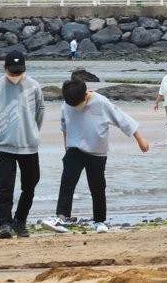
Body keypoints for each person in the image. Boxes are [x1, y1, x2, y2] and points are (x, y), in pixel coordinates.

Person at [40, 78, 150, 234]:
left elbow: (122, 119)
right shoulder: (67, 104)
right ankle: (61, 218)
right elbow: (65, 127)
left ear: (85, 95)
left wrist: (140, 139)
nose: (75, 107)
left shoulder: (101, 102)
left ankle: (100, 221)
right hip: (74, 149)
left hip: (97, 152)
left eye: (78, 104)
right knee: (67, 182)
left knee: (97, 187)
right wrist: (66, 149)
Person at [0, 50, 45, 239]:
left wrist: (33, 133)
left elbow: (39, 114)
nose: (15, 75)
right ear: (4, 68)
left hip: (29, 146)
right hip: (5, 147)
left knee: (30, 185)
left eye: (18, 71)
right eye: (12, 71)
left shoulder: (34, 86)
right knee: (5, 187)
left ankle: (20, 221)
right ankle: (5, 224)